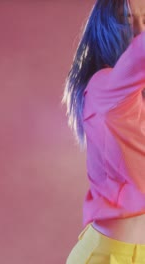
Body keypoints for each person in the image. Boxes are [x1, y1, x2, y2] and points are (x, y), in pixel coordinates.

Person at [64, 0, 145, 263]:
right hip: (108, 256)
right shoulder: (103, 86)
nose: (138, 29)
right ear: (106, 27)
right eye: (125, 19)